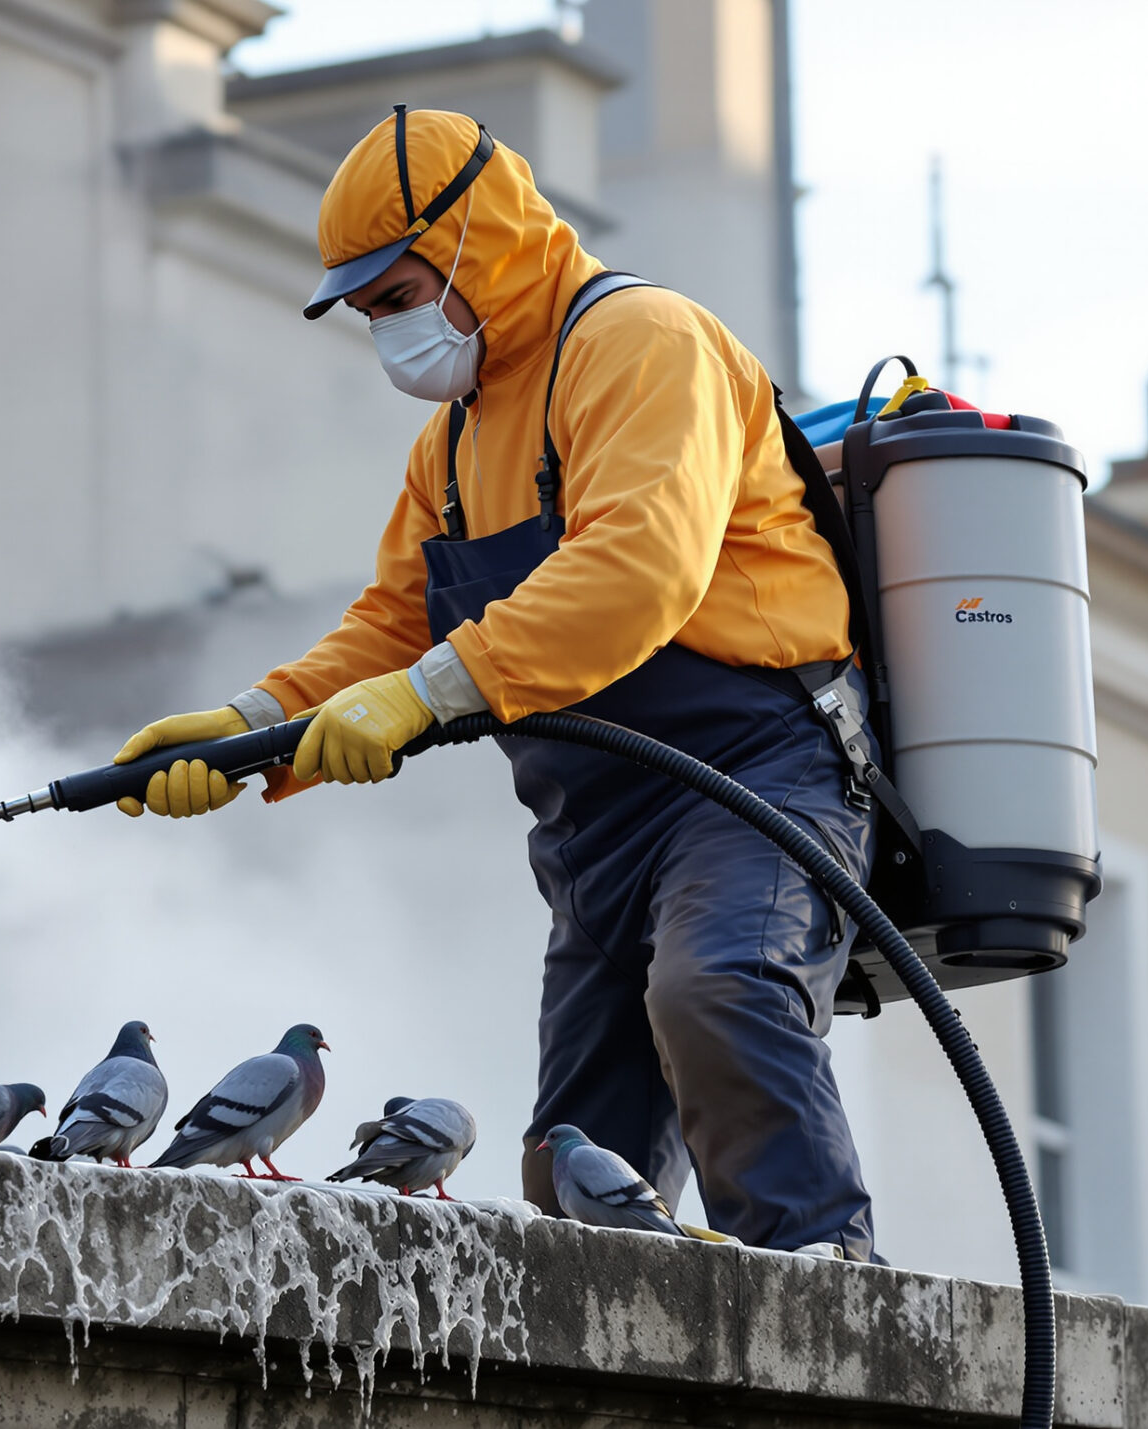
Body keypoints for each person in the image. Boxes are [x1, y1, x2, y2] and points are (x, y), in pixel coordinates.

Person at [114, 107, 876, 1259]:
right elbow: (394, 623)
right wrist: (250, 726)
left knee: (718, 988)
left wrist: (429, 692)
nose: (386, 328)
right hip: (597, 823)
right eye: (367, 309)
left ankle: (825, 1287)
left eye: (397, 293)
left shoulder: (641, 341)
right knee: (574, 1159)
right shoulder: (455, 442)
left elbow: (637, 568)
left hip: (753, 775)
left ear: (477, 241)